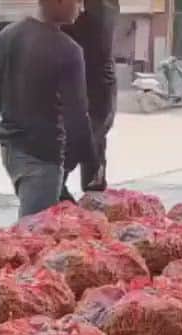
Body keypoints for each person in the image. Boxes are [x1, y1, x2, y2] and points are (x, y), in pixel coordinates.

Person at [0, 0, 102, 218]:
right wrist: (93, 163)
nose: (81, 7)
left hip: (11, 149)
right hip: (42, 158)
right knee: (34, 237)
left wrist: (17, 118)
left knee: (68, 222)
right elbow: (77, 118)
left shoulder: (8, 35)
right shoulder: (68, 50)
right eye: (77, 1)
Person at [59, 0, 119, 202]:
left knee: (95, 130)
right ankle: (63, 178)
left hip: (93, 71)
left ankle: (92, 183)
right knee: (93, 129)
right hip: (88, 69)